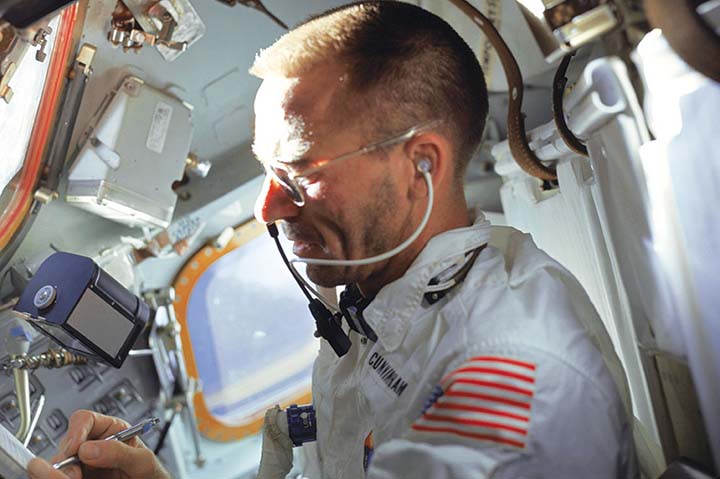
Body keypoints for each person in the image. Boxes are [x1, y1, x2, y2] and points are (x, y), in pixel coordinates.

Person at [28, 2, 637, 478]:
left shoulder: (506, 380)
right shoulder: (387, 299)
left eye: (296, 173)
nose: (268, 206)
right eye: (266, 174)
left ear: (419, 166)